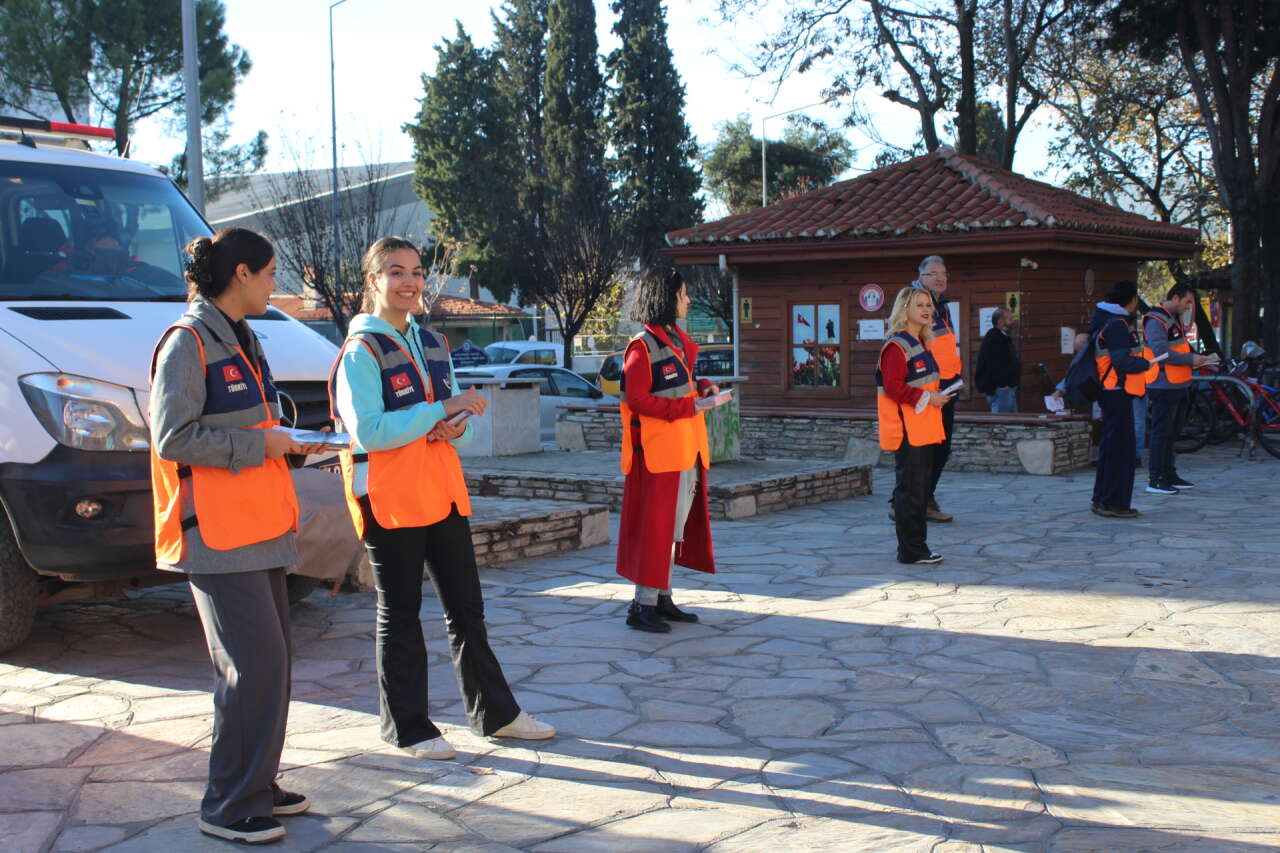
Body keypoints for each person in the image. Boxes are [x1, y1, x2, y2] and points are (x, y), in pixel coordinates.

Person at [329, 237, 554, 761]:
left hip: (443, 493)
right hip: (389, 498)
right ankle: (407, 728)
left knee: (467, 611)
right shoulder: (360, 351)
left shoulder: (432, 344)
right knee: (400, 613)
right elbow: (368, 431)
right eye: (395, 272)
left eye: (416, 272)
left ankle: (496, 715)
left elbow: (457, 425)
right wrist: (438, 411)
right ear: (372, 281)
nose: (409, 282)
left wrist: (454, 426)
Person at [149, 227, 323, 845]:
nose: (278, 284)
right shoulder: (187, 343)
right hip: (217, 533)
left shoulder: (244, 339)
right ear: (242, 274)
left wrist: (291, 442)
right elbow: (172, 438)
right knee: (249, 668)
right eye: (272, 272)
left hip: (260, 524)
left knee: (271, 664)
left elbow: (255, 419)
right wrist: (260, 444)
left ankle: (257, 783)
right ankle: (227, 804)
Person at [616, 268, 717, 633]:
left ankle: (661, 598)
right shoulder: (641, 347)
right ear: (666, 297)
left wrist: (702, 386)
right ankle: (641, 606)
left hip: (683, 451)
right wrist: (688, 408)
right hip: (658, 456)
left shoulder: (673, 342)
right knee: (656, 530)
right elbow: (637, 398)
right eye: (683, 294)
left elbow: (679, 385)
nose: (688, 300)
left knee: (672, 530)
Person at [878, 287, 954, 564]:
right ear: (904, 309)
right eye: (920, 305)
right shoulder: (897, 346)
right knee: (910, 490)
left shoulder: (920, 344)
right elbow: (893, 387)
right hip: (908, 430)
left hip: (924, 428)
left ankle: (917, 547)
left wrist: (936, 397)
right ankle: (911, 550)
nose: (927, 310)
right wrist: (929, 397)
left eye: (929, 306)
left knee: (919, 490)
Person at [1144, 283, 1216, 494]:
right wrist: (1191, 359)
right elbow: (1160, 352)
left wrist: (1201, 359)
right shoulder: (1155, 320)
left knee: (1172, 432)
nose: (1188, 307)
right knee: (1161, 432)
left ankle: (1169, 474)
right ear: (1175, 298)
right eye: (1187, 302)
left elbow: (1178, 348)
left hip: (1179, 383)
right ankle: (1155, 479)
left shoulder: (1172, 319)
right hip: (1163, 384)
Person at [1090, 280, 1150, 518]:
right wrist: (1144, 363)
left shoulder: (1104, 319)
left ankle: (1102, 498)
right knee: (1121, 451)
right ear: (1132, 300)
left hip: (1111, 391)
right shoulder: (1117, 325)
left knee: (1111, 447)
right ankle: (1114, 502)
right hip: (1116, 391)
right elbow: (1121, 360)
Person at [911, 255, 960, 522]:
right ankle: (913, 503)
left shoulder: (941, 306)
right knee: (925, 448)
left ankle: (923, 498)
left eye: (944, 273)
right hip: (929, 388)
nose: (940, 278)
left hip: (948, 386)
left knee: (940, 448)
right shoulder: (917, 304)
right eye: (933, 274)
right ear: (920, 276)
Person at [975, 307, 1021, 412]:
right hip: (1001, 390)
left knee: (1012, 423)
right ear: (1000, 322)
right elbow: (993, 365)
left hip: (1007, 388)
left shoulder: (1004, 337)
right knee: (1002, 423)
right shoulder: (994, 338)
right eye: (1010, 319)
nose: (1013, 322)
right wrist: (1002, 384)